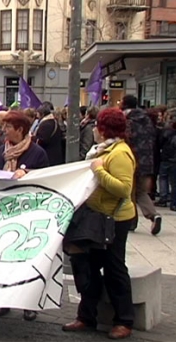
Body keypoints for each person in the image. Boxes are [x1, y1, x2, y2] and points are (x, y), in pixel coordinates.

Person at [62, 108, 136, 340]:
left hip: (114, 219)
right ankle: (86, 316)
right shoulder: (104, 150)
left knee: (114, 268)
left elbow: (123, 188)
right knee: (88, 267)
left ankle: (124, 320)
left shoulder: (120, 154)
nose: (94, 129)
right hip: (96, 216)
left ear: (104, 129)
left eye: (97, 126)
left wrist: (100, 171)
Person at [0, 110, 49, 321]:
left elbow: (47, 180)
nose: (4, 131)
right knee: (3, 258)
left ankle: (29, 303)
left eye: (8, 127)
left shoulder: (37, 153)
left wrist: (28, 173)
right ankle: (4, 299)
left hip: (27, 211)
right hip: (4, 209)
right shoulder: (0, 150)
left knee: (27, 259)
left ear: (20, 130)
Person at [121, 95, 161, 235]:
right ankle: (153, 215)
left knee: (130, 191)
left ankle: (132, 221)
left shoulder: (128, 121)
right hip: (147, 160)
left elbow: (126, 139)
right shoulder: (147, 120)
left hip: (133, 160)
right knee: (141, 191)